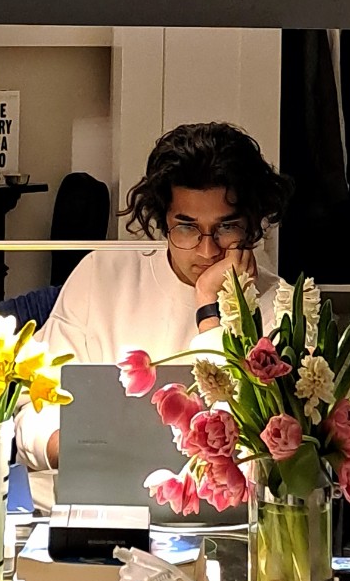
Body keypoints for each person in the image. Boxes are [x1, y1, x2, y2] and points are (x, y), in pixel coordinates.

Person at [15, 121, 294, 476]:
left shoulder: (280, 306)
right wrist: (74, 452)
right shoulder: (100, 276)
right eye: (187, 226)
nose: (207, 250)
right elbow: (33, 412)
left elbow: (251, 459)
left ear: (252, 223)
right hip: (104, 496)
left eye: (226, 227)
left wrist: (210, 308)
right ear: (163, 220)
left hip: (229, 522)